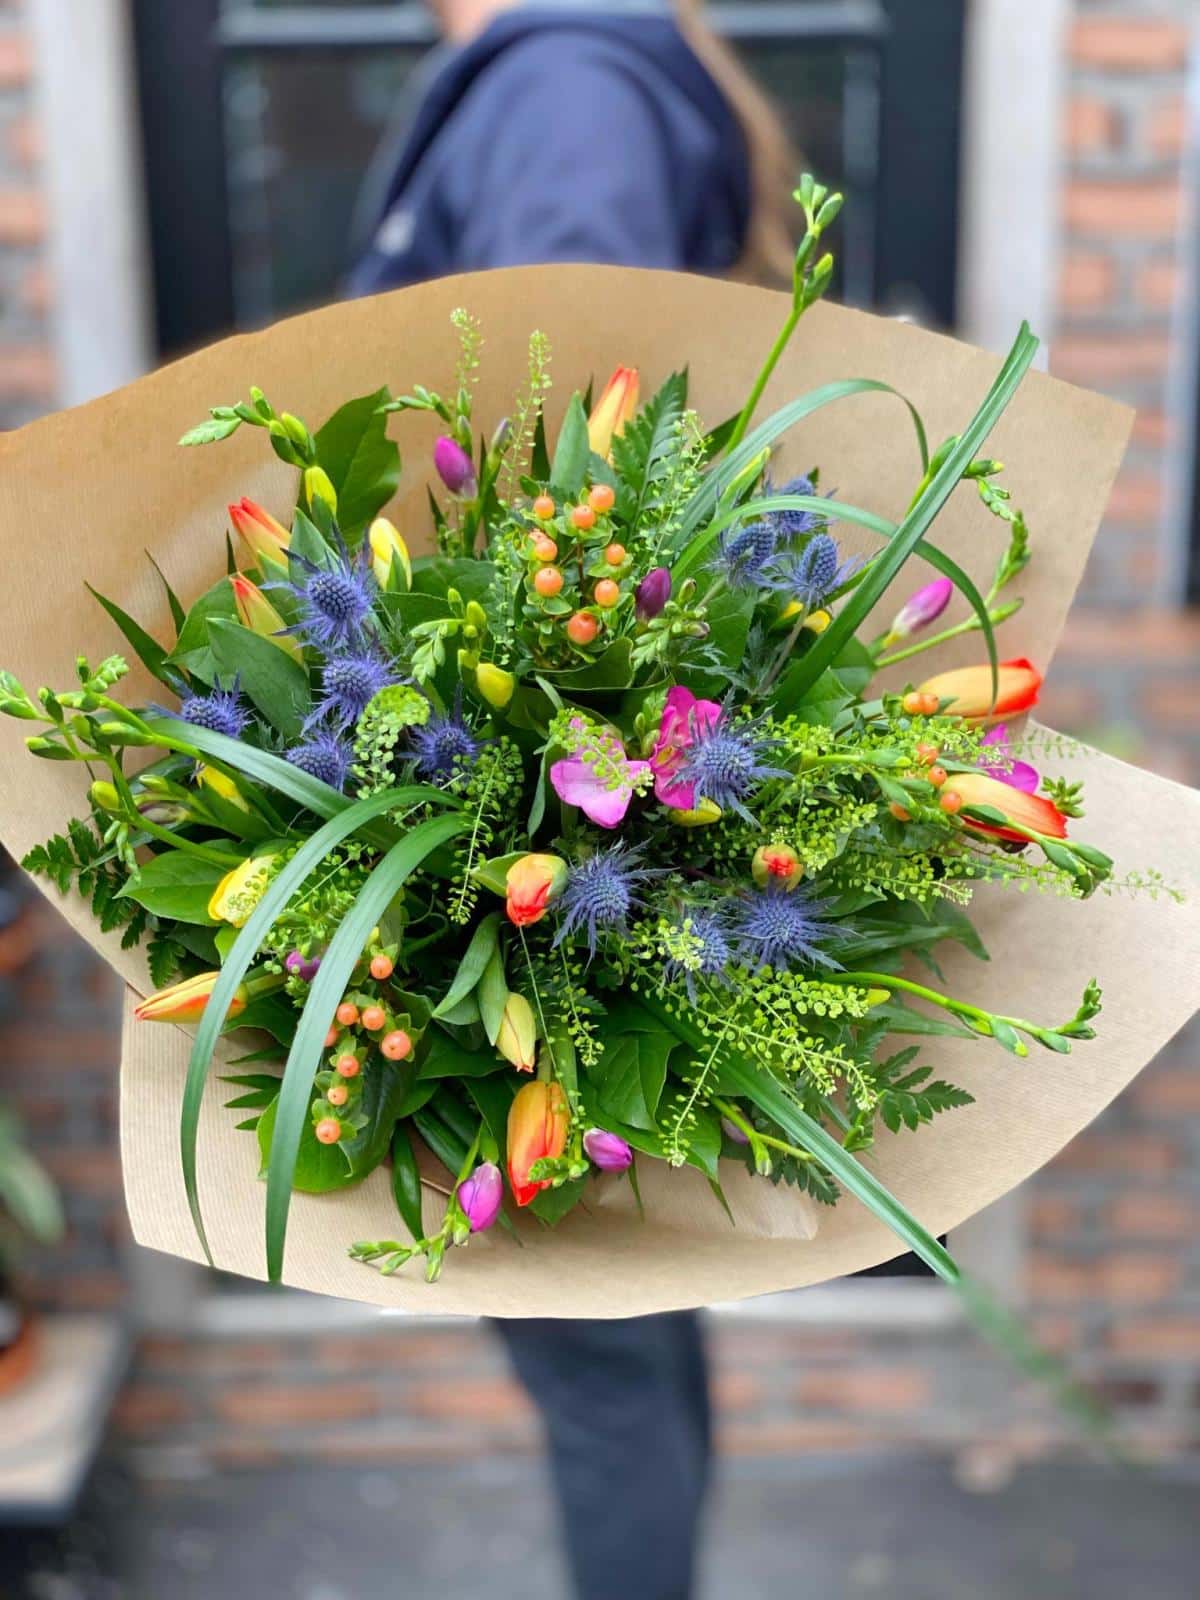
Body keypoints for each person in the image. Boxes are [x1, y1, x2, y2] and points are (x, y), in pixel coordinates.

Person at [349, 6, 793, 1597]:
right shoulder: (590, 72)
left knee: (601, 1358)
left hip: (529, 860)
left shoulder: (563, 87)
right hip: (551, 829)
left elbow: (574, 487)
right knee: (623, 1333)